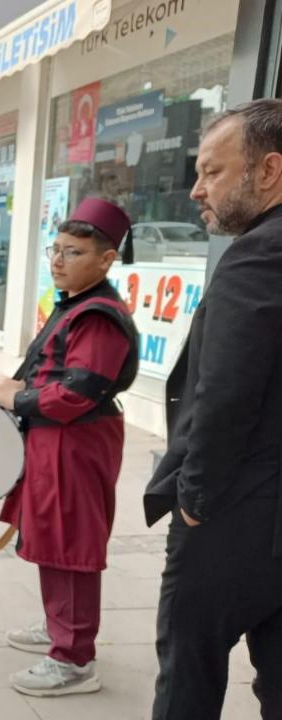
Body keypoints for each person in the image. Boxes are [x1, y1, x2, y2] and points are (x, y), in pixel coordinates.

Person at [144, 99, 282, 720]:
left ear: (269, 170)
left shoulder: (257, 257)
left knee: (187, 679)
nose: (197, 190)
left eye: (212, 172)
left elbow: (225, 395)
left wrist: (194, 499)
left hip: (236, 513)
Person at [0, 197, 139, 698]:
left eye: (73, 252)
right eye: (55, 249)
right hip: (57, 438)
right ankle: (61, 626)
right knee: (53, 535)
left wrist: (17, 398)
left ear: (106, 259)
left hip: (76, 441)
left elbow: (78, 392)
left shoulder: (97, 316)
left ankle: (74, 658)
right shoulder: (76, 302)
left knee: (71, 540)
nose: (57, 260)